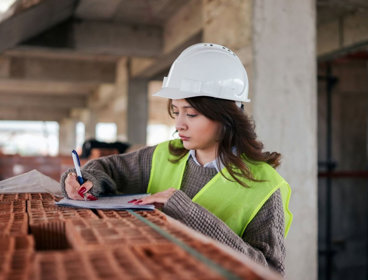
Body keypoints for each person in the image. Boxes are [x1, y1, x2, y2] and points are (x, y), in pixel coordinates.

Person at [60, 43, 293, 275]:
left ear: (227, 116)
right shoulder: (164, 155)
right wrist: (84, 180)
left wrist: (185, 210)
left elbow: (269, 272)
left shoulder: (263, 187)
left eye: (191, 113)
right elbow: (106, 169)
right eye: (176, 110)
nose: (179, 124)